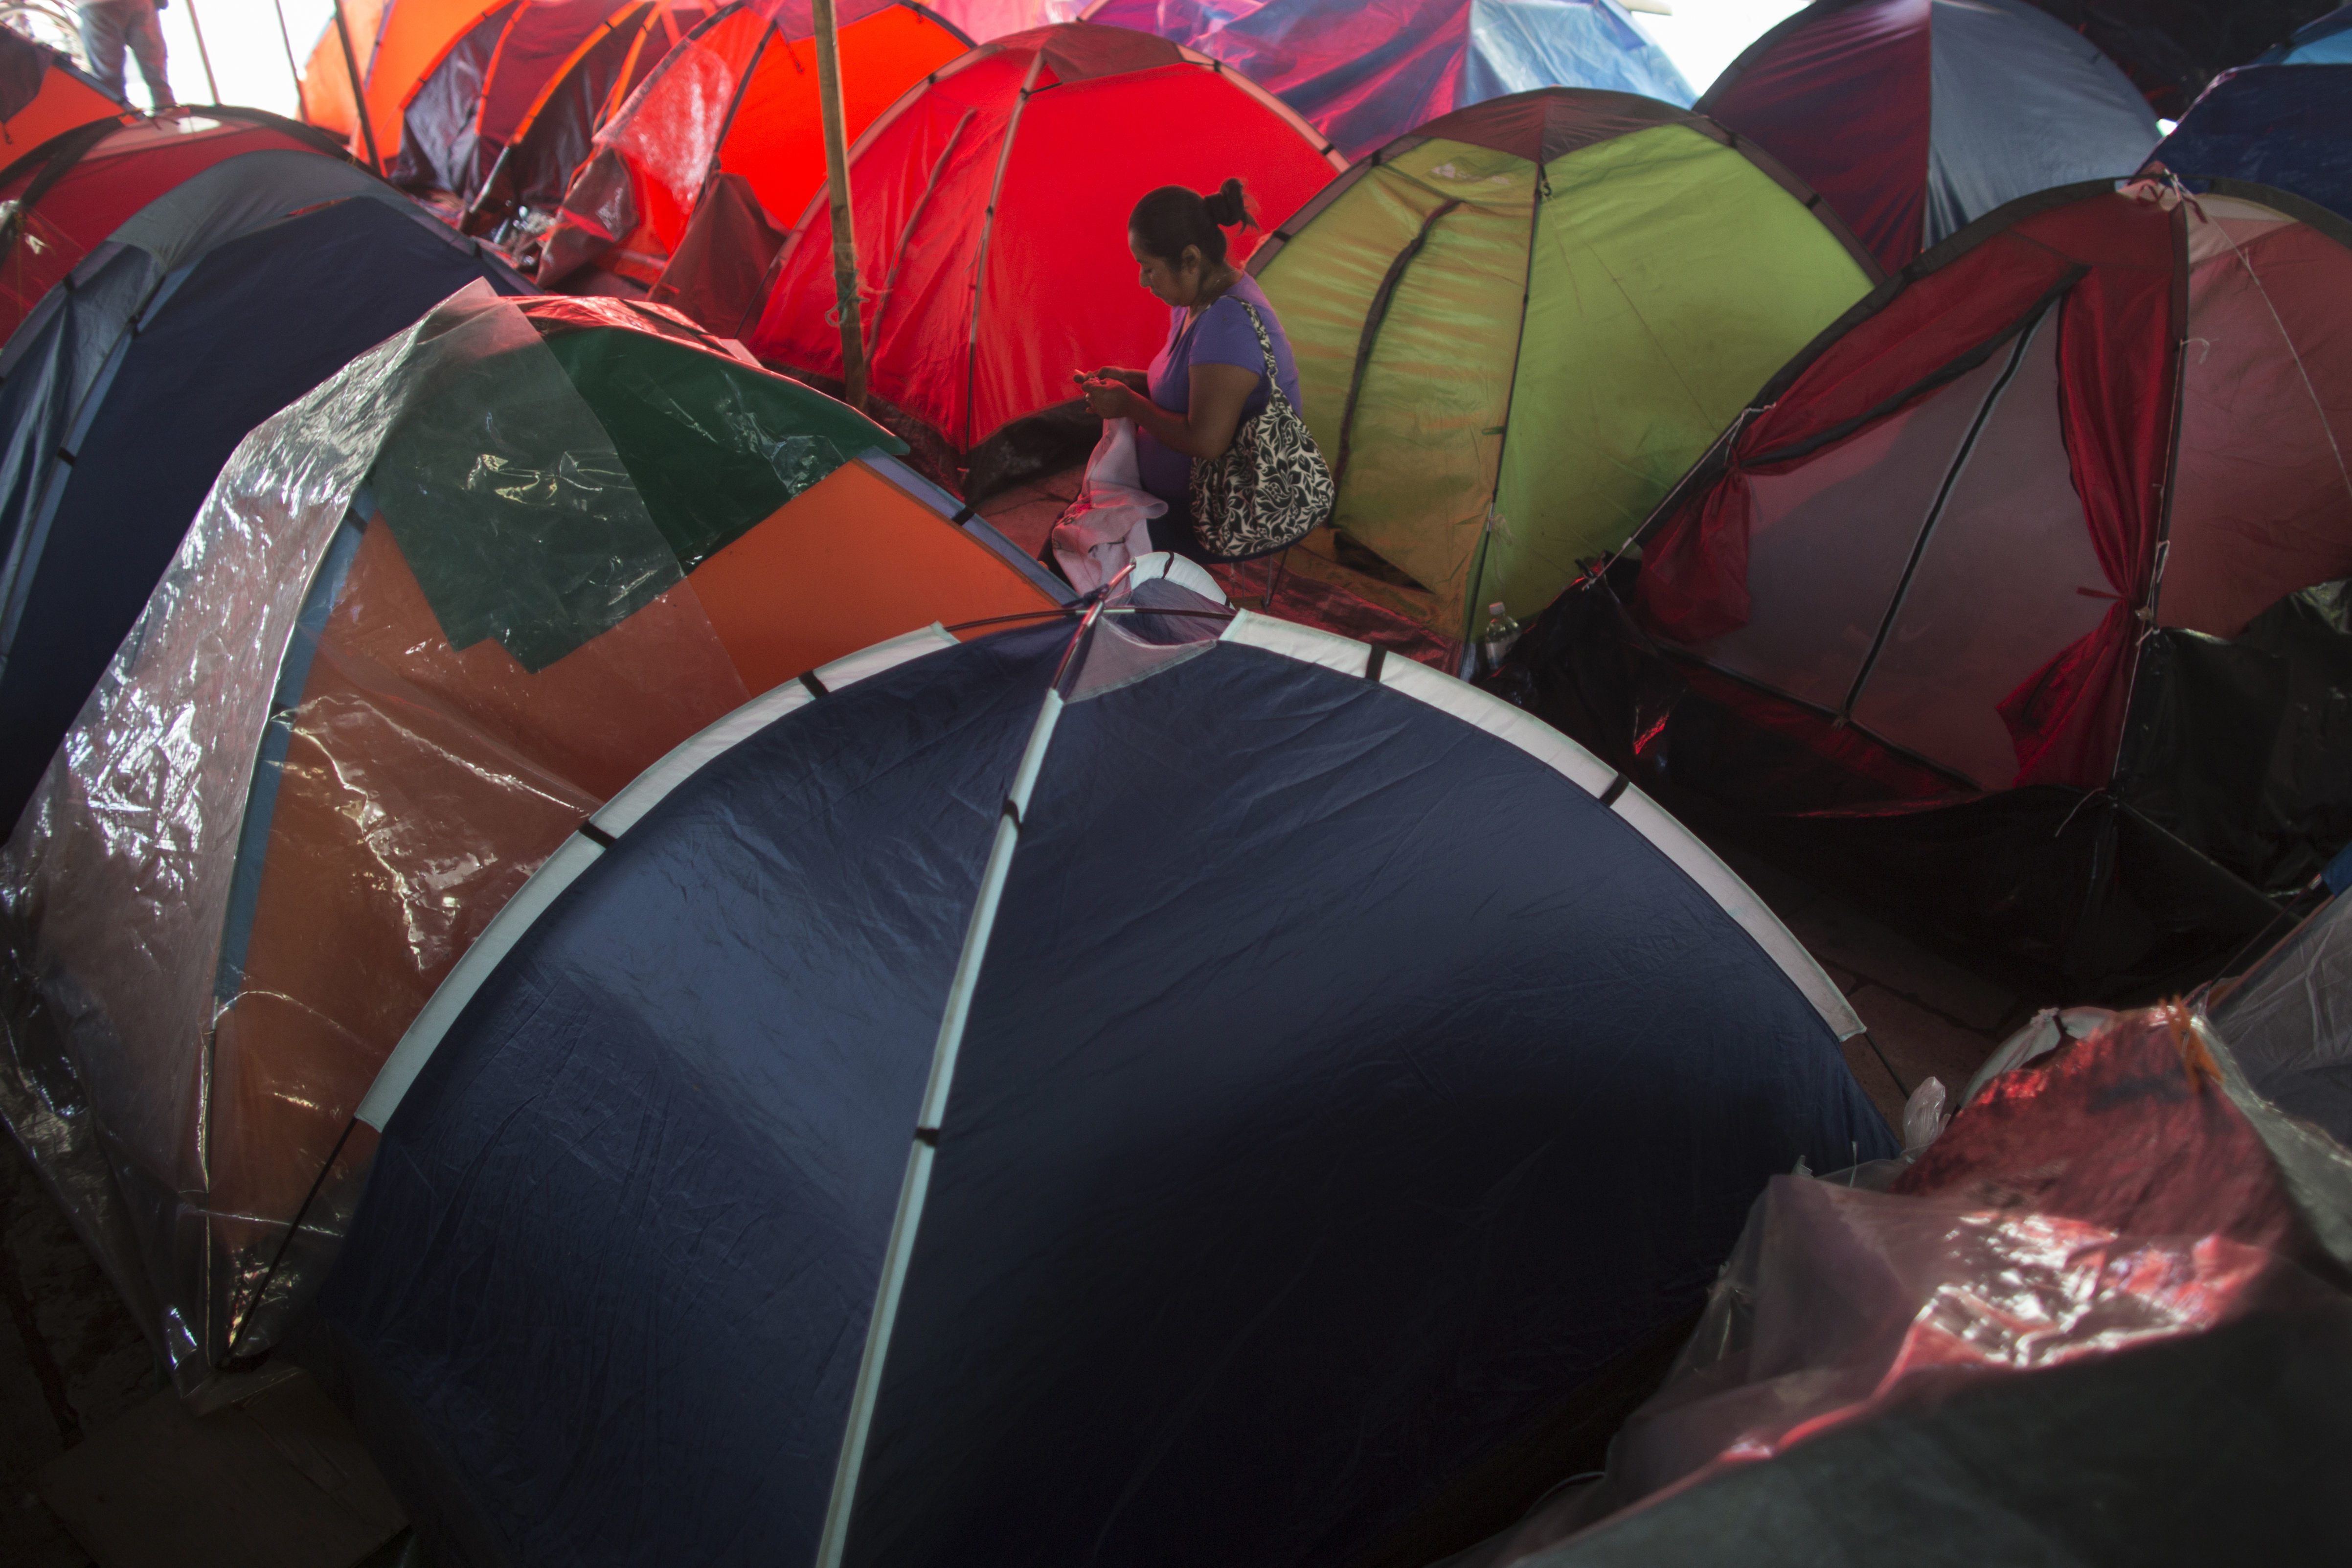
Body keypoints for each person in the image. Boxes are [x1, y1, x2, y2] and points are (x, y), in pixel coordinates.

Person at [1074, 179, 1304, 562]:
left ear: (1191, 259)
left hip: (1223, 510)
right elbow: (1187, 386)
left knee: (1086, 551)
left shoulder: (1229, 325)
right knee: (1076, 530)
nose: (1143, 281)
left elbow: (1206, 442)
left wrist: (1129, 404)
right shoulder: (1193, 301)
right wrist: (1128, 381)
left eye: (1149, 269)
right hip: (1178, 494)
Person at [78, 0, 175, 112]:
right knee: (156, 71)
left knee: (109, 82)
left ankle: (121, 120)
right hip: (140, 4)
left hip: (97, 6)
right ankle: (169, 117)